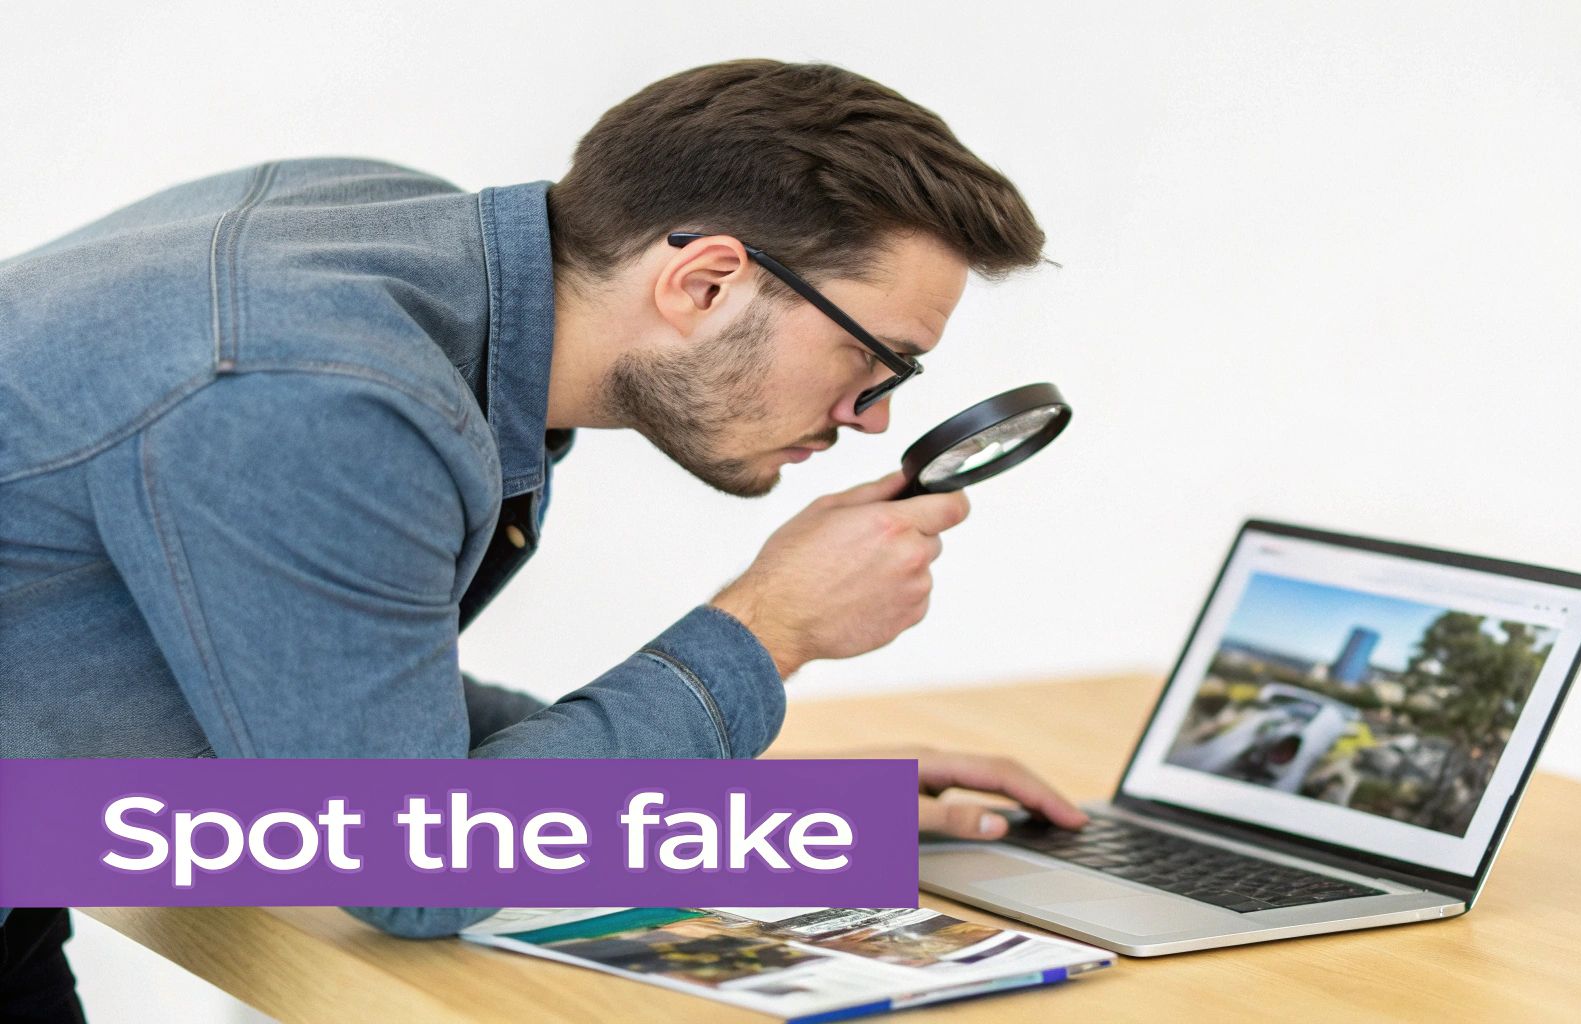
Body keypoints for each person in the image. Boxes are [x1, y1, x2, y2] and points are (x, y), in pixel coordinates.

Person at [0, 59, 1088, 1020]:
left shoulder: (382, 233)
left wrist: (757, 805)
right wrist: (767, 628)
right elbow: (411, 863)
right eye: (875, 359)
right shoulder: (320, 397)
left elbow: (351, 713)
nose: (874, 418)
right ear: (704, 282)